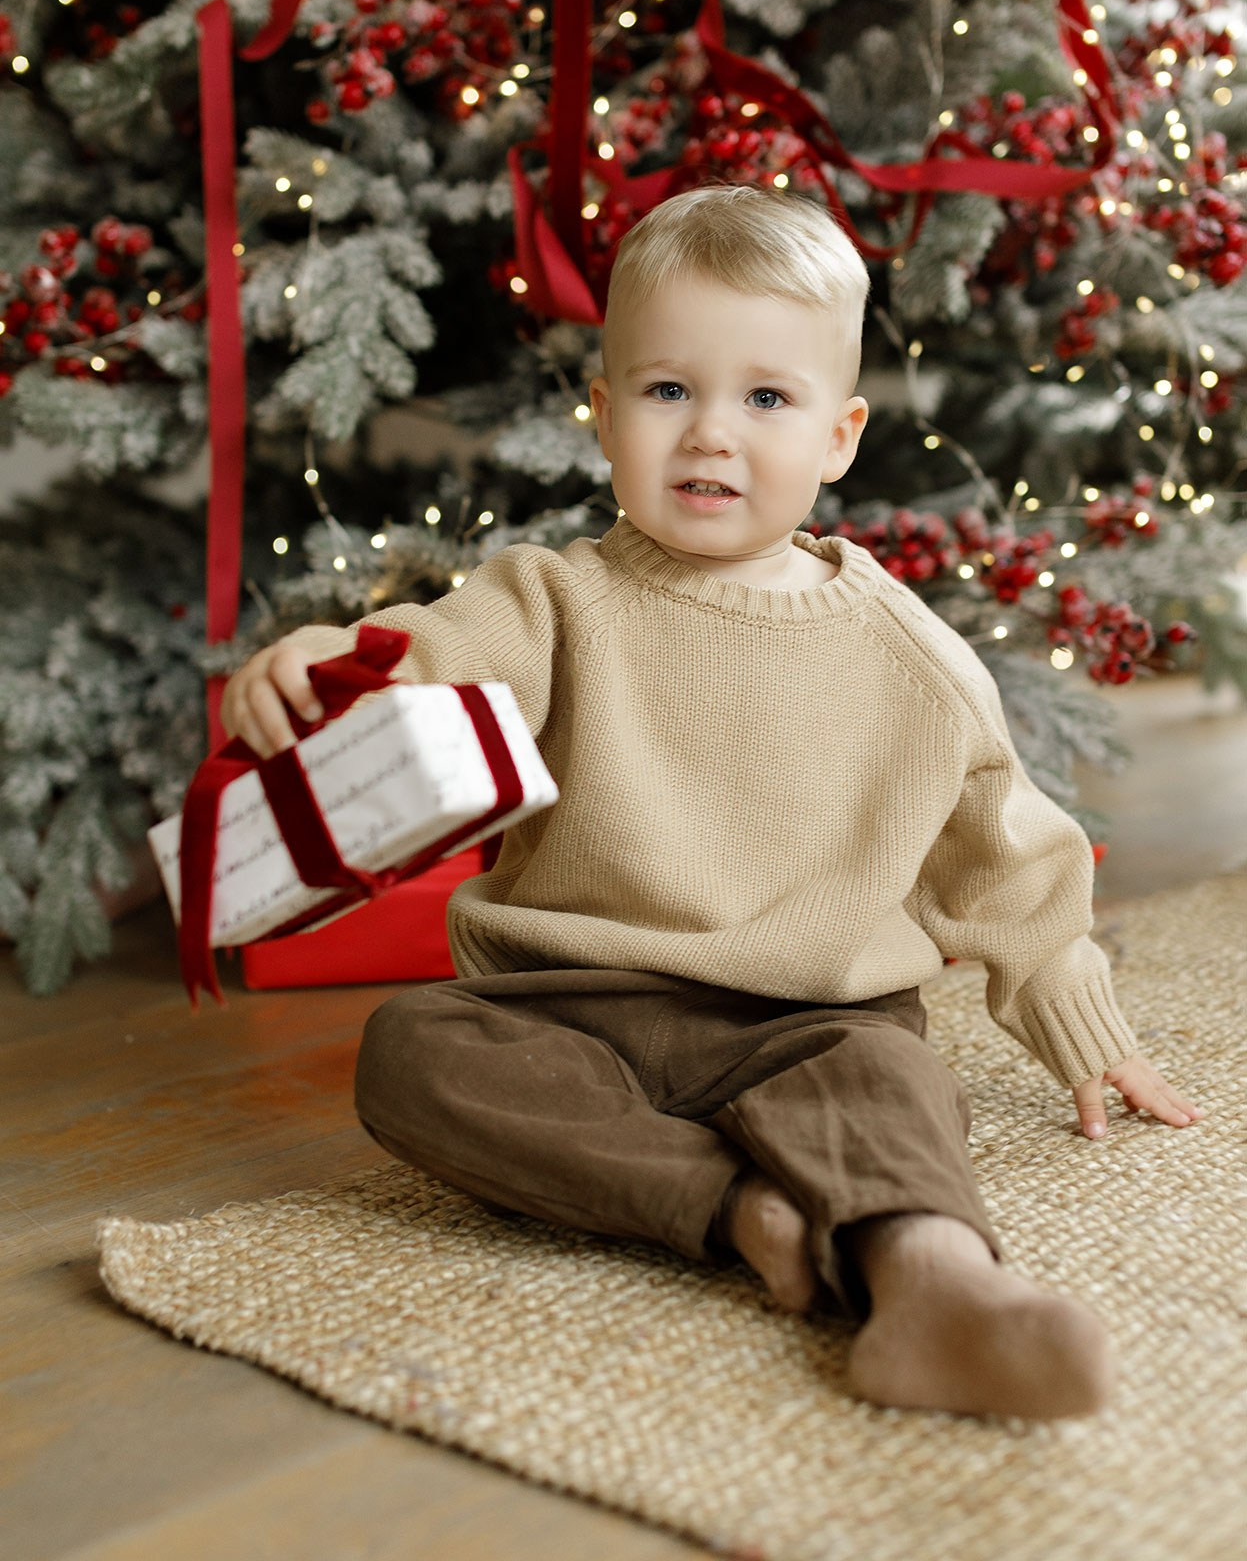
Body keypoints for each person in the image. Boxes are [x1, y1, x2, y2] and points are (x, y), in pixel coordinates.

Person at [221, 182, 1204, 1421]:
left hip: (809, 1012)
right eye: (667, 391)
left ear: (838, 437)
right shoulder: (552, 601)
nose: (709, 436)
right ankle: (739, 1209)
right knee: (414, 1052)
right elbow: (428, 662)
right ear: (602, 415)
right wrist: (330, 665)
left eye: (765, 400)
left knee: (892, 1087)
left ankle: (938, 1284)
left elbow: (1000, 851)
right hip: (569, 1004)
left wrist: (1072, 1011)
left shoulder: (905, 653)